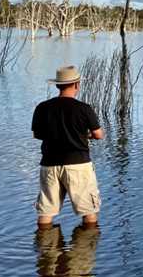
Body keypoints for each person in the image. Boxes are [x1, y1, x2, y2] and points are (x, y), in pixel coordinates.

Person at [32, 65, 104, 228]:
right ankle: (83, 249)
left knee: (46, 212)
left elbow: (37, 135)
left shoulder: (42, 107)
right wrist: (85, 135)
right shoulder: (84, 109)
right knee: (89, 211)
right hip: (78, 165)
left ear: (58, 85)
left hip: (49, 164)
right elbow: (99, 134)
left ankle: (47, 250)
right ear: (77, 84)